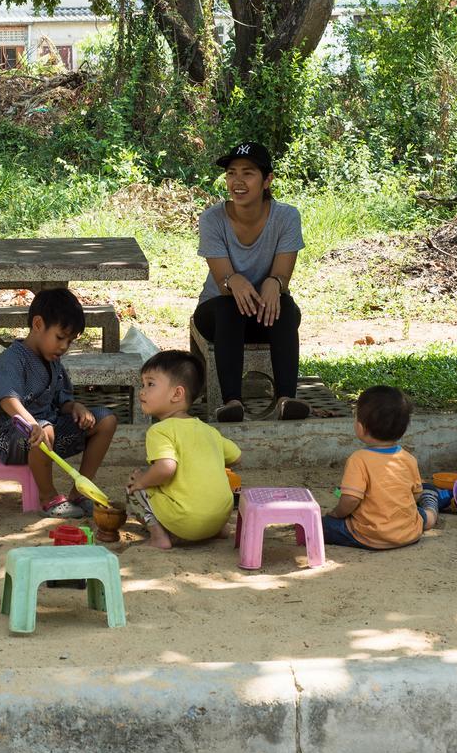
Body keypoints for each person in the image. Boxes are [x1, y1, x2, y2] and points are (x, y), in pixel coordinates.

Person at [195, 141, 309, 423]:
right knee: (229, 306)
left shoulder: (286, 217)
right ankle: (232, 402)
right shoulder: (212, 219)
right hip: (219, 316)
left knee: (286, 305)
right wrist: (234, 281)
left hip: (266, 314)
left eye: (248, 173)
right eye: (232, 173)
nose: (238, 181)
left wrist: (276, 282)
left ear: (267, 179)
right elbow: (222, 281)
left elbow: (283, 274)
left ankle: (286, 399)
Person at [0, 287, 118, 519]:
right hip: (14, 439)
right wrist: (32, 424)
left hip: (50, 435)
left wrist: (76, 407)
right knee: (45, 428)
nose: (64, 347)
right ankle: (48, 497)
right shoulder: (12, 359)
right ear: (38, 324)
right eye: (60, 337)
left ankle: (80, 492)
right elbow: (8, 398)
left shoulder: (52, 361)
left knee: (106, 420)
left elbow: (62, 400)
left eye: (70, 341)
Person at [127, 350, 240, 550]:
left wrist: (142, 480)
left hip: (186, 522)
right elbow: (236, 456)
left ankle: (159, 536)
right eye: (142, 384)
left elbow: (165, 468)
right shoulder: (209, 431)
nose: (142, 391)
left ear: (177, 393)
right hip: (220, 516)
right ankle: (218, 529)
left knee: (135, 488)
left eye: (150, 384)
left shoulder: (159, 431)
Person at [323, 386, 438, 550]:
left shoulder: (358, 459)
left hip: (370, 535)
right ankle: (432, 506)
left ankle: (430, 504)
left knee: (323, 525)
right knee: (423, 513)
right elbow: (415, 495)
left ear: (361, 428)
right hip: (408, 532)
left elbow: (350, 500)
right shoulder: (408, 459)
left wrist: (336, 513)